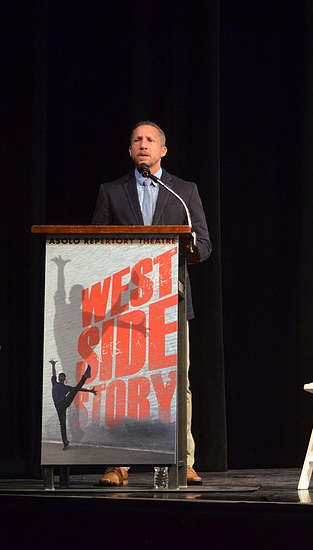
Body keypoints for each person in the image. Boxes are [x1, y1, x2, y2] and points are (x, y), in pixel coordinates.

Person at [92, 121, 212, 486]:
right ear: (130, 151)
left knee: (177, 384)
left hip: (170, 302)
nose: (143, 145)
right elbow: (95, 245)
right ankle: (119, 463)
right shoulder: (112, 192)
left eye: (150, 140)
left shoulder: (184, 192)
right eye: (136, 140)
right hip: (124, 306)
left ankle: (183, 461)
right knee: (121, 384)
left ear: (163, 151)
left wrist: (189, 248)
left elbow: (204, 245)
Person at [50, 360, 96, 450]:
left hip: (65, 402)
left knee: (74, 390)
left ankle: (85, 376)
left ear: (64, 378)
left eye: (63, 376)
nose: (61, 377)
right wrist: (53, 365)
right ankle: (65, 443)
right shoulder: (54, 383)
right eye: (60, 376)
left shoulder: (66, 387)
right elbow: (53, 374)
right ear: (59, 378)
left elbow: (78, 389)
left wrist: (90, 391)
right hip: (59, 407)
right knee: (62, 424)